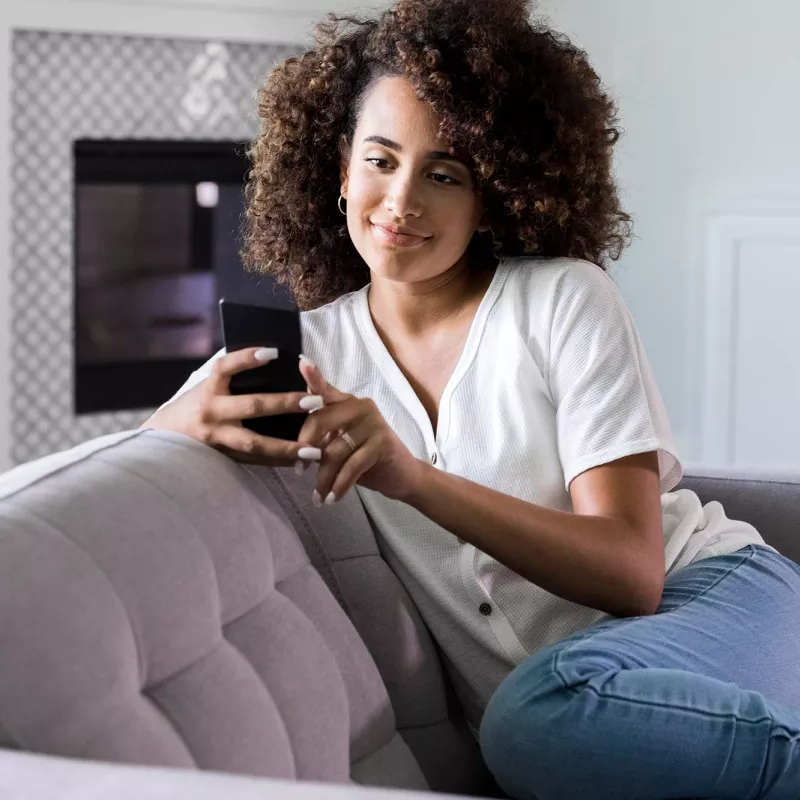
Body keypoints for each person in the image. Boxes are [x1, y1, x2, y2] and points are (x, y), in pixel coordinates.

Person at [142, 0, 800, 797]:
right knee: (533, 726)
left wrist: (412, 479)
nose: (402, 201)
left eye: (444, 174)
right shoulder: (305, 354)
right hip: (576, 717)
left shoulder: (563, 300)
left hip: (715, 606)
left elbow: (632, 574)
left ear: (494, 193)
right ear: (343, 168)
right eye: (381, 160)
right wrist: (188, 418)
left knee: (527, 723)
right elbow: (144, 450)